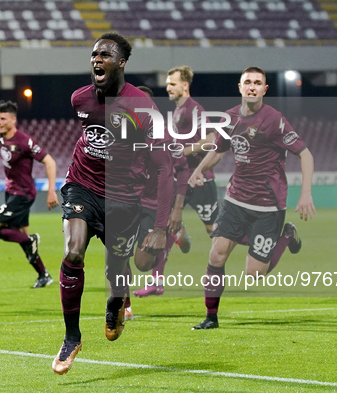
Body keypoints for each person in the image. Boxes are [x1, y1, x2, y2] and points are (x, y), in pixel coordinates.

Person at [52, 33, 174, 374]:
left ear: (121, 62)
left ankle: (116, 300)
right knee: (73, 251)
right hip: (82, 186)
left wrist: (161, 227)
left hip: (123, 198)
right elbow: (89, 138)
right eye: (93, 54)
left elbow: (165, 169)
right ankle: (72, 337)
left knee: (116, 268)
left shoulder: (143, 108)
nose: (96, 59)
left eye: (105, 55)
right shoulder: (80, 99)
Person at [188, 66, 316, 330]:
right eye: (248, 82)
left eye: (258, 83)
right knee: (216, 255)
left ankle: (287, 236)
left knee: (254, 275)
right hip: (235, 200)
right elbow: (219, 149)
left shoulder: (275, 120)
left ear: (264, 89)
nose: (252, 86)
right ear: (240, 87)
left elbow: (305, 154)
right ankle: (211, 317)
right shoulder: (230, 118)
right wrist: (200, 169)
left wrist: (305, 193)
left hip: (268, 207)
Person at [135, 65, 216, 297]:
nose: (168, 87)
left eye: (172, 83)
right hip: (181, 178)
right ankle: (156, 281)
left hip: (200, 180)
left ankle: (268, 242)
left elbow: (210, 139)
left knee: (217, 232)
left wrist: (182, 151)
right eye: (168, 83)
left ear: (185, 85)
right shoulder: (178, 112)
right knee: (166, 224)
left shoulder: (194, 109)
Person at [0, 80, 59, 288]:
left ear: (13, 120)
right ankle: (44, 275)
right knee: (23, 237)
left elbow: (49, 161)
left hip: (23, 194)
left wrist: (52, 191)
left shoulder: (23, 141)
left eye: (2, 119)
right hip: (12, 193)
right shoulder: (0, 135)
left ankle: (30, 242)